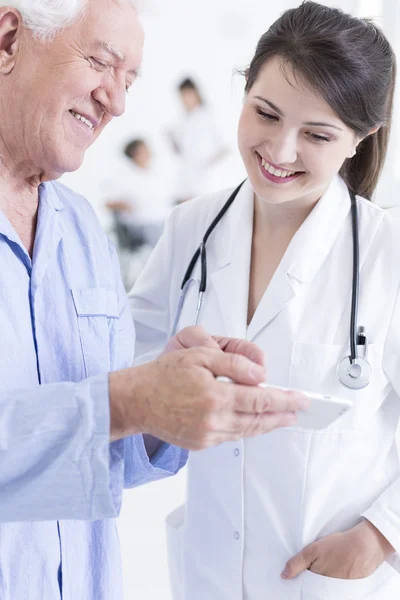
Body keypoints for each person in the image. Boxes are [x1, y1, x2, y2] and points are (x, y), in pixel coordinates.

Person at [0, 1, 310, 599]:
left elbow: (90, 455)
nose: (116, 102)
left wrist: (157, 408)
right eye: (100, 62)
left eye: (130, 80)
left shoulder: (82, 232)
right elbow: (102, 409)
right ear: (10, 39)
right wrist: (126, 401)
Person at [130, 2, 400, 598]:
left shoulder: (386, 254)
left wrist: (381, 537)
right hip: (208, 572)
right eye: (266, 114)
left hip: (325, 578)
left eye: (317, 134)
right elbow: (130, 377)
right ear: (243, 91)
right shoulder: (189, 230)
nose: (279, 151)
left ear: (361, 138)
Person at [167, 77, 229, 203]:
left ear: (196, 93)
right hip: (187, 180)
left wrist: (206, 165)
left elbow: (225, 147)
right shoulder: (183, 120)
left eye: (187, 95)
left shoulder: (208, 116)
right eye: (182, 96)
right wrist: (170, 139)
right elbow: (180, 153)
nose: (185, 100)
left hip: (205, 181)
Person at [105, 138, 173, 249]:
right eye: (143, 150)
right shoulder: (124, 176)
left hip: (161, 221)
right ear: (134, 154)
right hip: (139, 225)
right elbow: (108, 203)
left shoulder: (155, 174)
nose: (148, 152)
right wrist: (124, 205)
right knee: (162, 238)